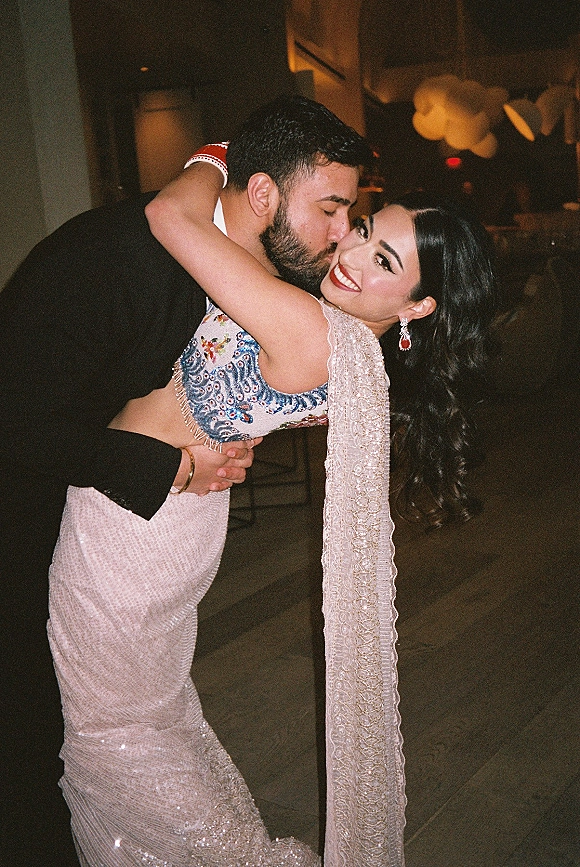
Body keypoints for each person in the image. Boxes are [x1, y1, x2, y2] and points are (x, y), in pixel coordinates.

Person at [44, 142, 499, 867]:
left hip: (132, 524)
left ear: (417, 306)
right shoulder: (352, 350)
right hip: (172, 512)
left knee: (110, 730)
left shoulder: (312, 330)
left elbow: (171, 217)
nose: (352, 253)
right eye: (365, 230)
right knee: (145, 717)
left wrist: (218, 155)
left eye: (385, 262)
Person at [0, 95, 371, 867]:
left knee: (121, 714)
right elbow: (21, 426)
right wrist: (173, 461)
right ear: (263, 193)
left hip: (140, 524)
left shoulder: (244, 257)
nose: (342, 234)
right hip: (26, 504)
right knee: (42, 726)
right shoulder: (122, 262)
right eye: (331, 210)